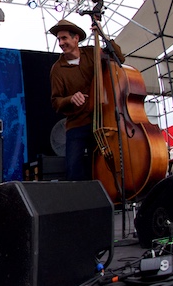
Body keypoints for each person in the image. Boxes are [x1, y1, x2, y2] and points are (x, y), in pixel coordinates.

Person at [49, 19, 124, 182]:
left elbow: (119, 59)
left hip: (104, 120)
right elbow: (56, 102)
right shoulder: (57, 69)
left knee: (105, 167)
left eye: (64, 38)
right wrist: (70, 99)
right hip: (77, 125)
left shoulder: (92, 53)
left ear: (76, 38)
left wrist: (103, 35)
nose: (61, 43)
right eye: (59, 39)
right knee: (73, 170)